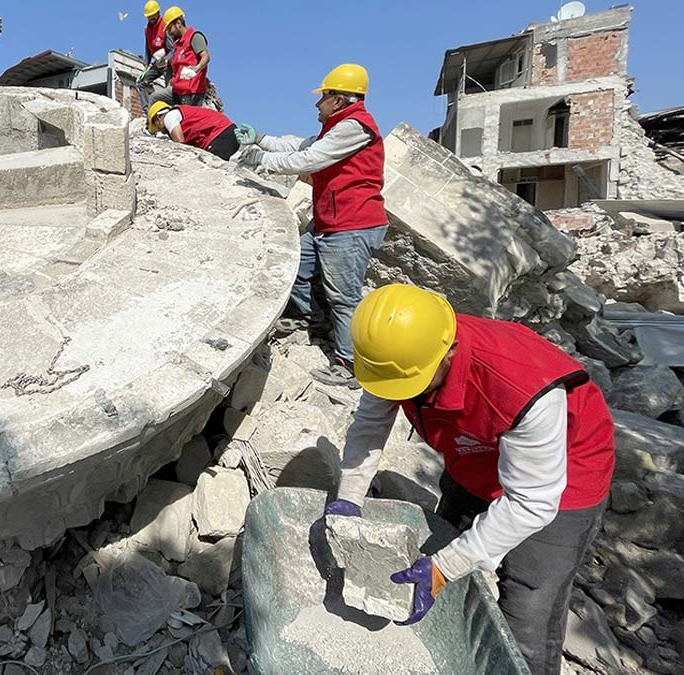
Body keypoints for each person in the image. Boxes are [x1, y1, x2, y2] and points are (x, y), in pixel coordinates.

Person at [325, 283, 614, 675]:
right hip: (475, 452)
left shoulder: (519, 385)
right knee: (446, 548)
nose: (400, 395)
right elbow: (372, 420)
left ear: (448, 353)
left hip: (562, 475)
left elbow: (531, 502)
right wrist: (349, 497)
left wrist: (446, 565)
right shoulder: (398, 351)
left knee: (528, 603)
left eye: (412, 386)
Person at [236, 64, 386, 388]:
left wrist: (259, 160)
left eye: (323, 97)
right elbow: (297, 146)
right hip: (331, 223)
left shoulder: (355, 127)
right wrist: (261, 140)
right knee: (295, 264)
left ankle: (349, 365)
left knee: (343, 297)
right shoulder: (338, 128)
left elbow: (308, 160)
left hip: (352, 225)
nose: (317, 104)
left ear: (340, 99)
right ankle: (311, 321)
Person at [146, 101, 239, 160]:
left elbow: (179, 143)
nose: (161, 131)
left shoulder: (169, 116)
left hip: (220, 134)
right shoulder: (179, 114)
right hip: (225, 133)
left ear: (158, 119)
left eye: (157, 127)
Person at [163, 6, 209, 106]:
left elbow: (205, 56)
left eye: (170, 28)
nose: (169, 33)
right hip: (179, 91)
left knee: (188, 120)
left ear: (178, 23)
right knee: (156, 98)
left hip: (192, 92)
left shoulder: (194, 37)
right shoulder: (178, 45)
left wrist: (196, 68)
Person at [136, 1, 172, 112]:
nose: (151, 18)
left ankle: (168, 111)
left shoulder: (165, 26)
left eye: (153, 15)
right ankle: (147, 111)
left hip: (167, 64)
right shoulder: (147, 30)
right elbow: (147, 48)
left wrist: (166, 59)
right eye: (149, 16)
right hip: (156, 64)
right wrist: (146, 65)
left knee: (168, 89)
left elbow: (173, 49)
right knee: (141, 83)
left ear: (158, 13)